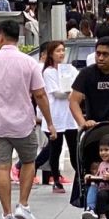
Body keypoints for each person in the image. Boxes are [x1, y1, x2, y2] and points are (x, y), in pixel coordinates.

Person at [0, 20, 56, 219]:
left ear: (0, 37)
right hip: (23, 124)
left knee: (2, 167)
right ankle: (23, 205)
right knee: (28, 162)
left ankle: (6, 215)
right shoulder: (29, 63)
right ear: (17, 38)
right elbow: (40, 94)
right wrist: (50, 122)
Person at [35, 40, 79, 193]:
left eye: (62, 50)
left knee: (74, 147)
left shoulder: (70, 69)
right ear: (51, 54)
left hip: (69, 115)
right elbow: (58, 93)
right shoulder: (48, 72)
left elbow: (78, 85)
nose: (61, 53)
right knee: (56, 148)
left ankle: (80, 176)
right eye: (58, 51)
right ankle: (55, 179)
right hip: (55, 116)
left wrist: (73, 92)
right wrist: (71, 92)